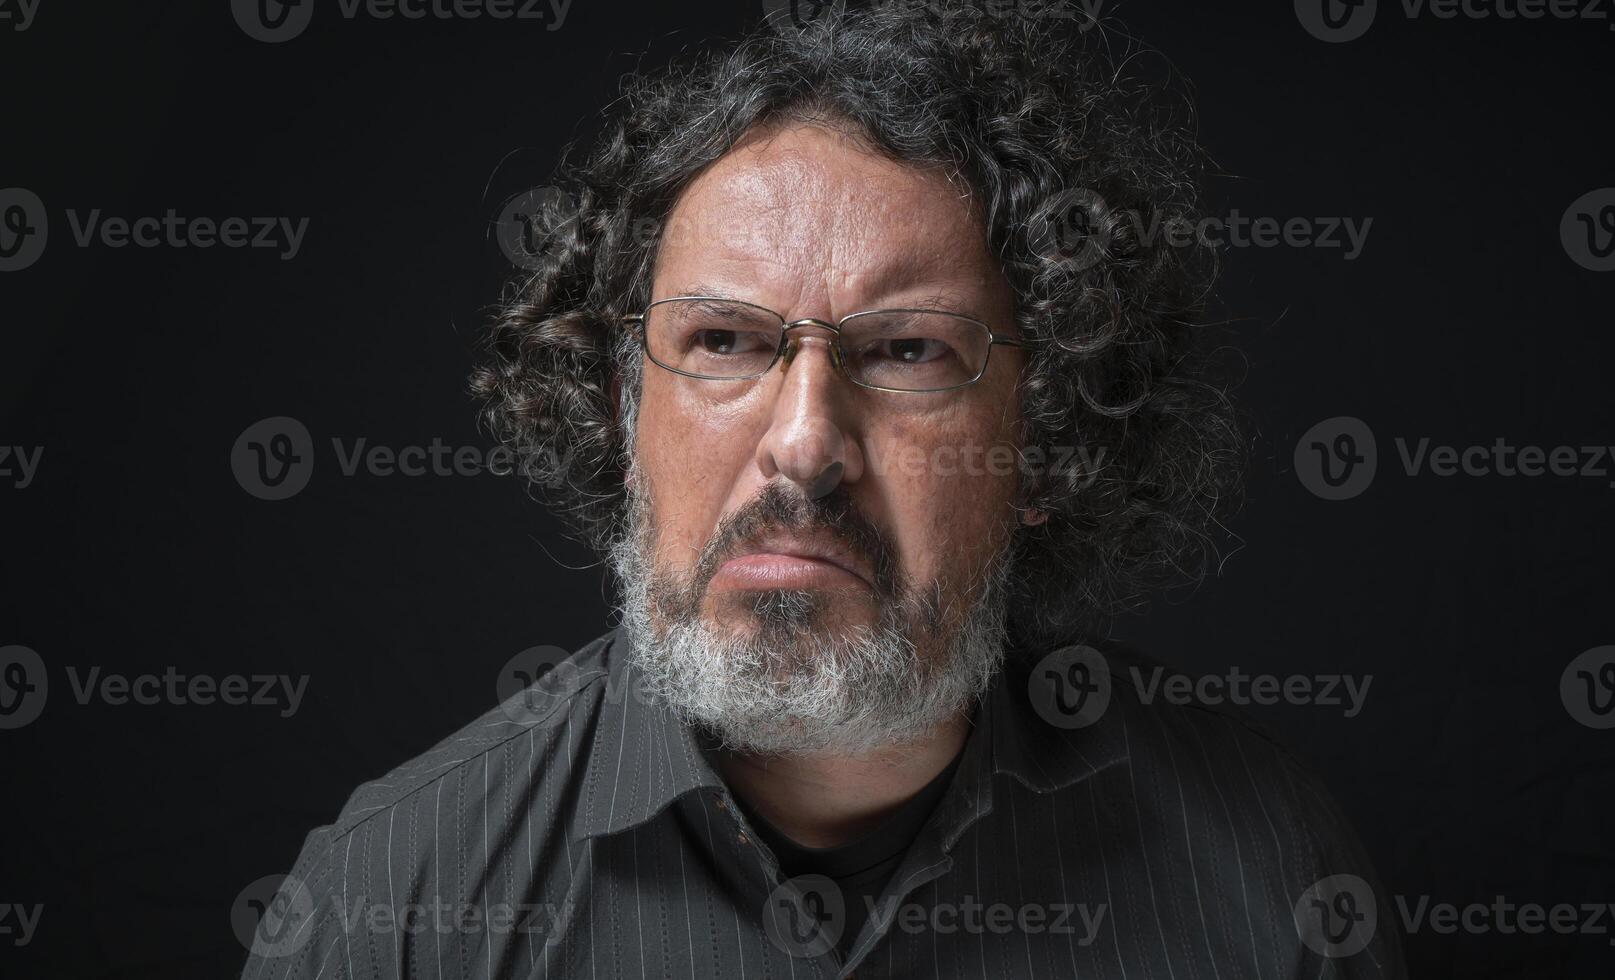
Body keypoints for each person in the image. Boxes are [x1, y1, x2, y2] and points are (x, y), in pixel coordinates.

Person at [241, 2, 1405, 976]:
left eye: (908, 350)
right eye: (724, 341)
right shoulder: (389, 904)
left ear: (1049, 440)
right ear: (619, 408)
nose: (804, 443)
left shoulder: (1268, 876)